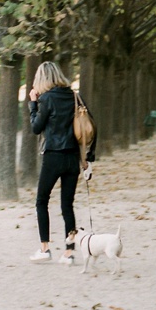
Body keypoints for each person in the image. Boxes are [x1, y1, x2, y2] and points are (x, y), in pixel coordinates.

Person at [21, 61, 95, 264]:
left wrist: (33, 104)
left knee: (41, 201)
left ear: (41, 79)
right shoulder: (74, 96)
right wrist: (89, 158)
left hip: (53, 156)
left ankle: (45, 249)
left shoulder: (46, 99)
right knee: (67, 205)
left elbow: (36, 128)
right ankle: (69, 253)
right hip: (72, 158)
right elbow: (90, 126)